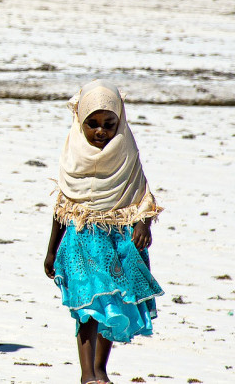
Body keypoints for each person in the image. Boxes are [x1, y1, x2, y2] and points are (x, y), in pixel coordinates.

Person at [43, 80, 164, 384]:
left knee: (110, 305)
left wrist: (142, 224)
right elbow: (62, 208)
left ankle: (101, 369)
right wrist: (50, 250)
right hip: (81, 242)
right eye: (92, 124)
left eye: (109, 124)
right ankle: (87, 374)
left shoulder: (127, 155)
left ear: (120, 122)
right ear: (79, 122)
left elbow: (142, 197)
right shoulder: (73, 157)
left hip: (116, 243)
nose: (101, 131)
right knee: (87, 309)